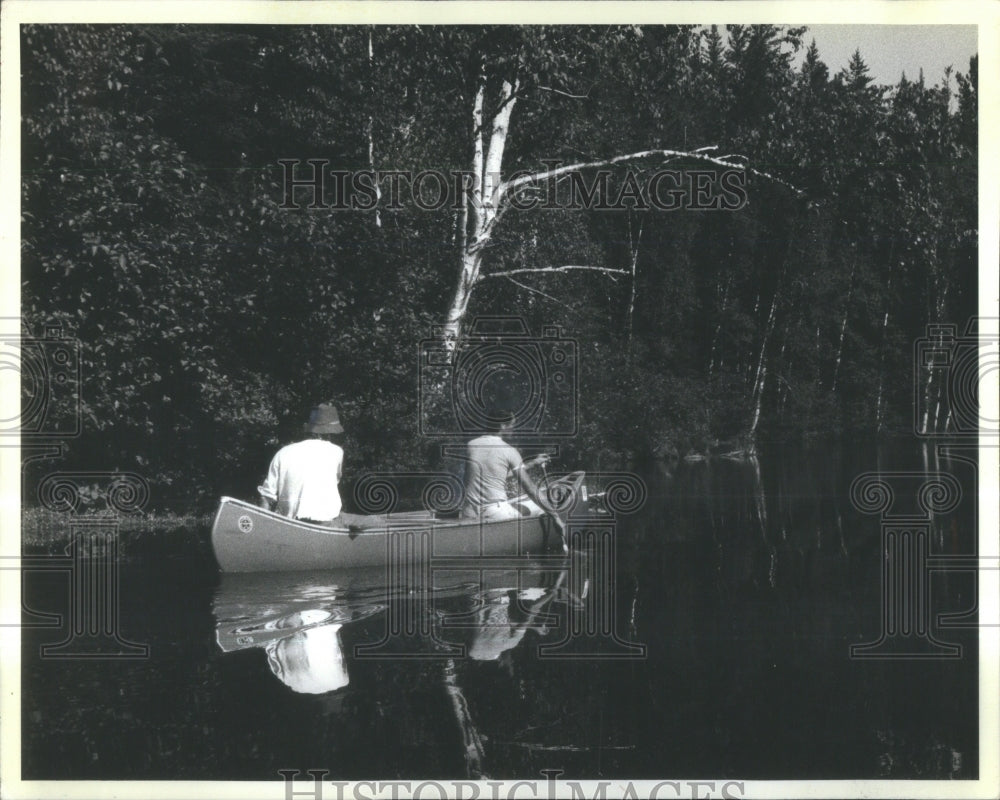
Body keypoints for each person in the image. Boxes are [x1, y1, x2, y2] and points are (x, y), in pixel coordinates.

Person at [258, 403, 376, 530]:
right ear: (329, 433)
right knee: (375, 521)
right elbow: (336, 480)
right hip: (326, 522)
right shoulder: (336, 452)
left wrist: (262, 528)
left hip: (289, 521)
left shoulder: (282, 452)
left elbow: (266, 496)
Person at [460, 412, 567, 539]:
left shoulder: (471, 445)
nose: (514, 429)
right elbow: (531, 489)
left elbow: (495, 475)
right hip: (495, 513)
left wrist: (532, 463)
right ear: (503, 425)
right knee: (541, 509)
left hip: (468, 512)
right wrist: (555, 517)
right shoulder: (509, 450)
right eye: (512, 424)